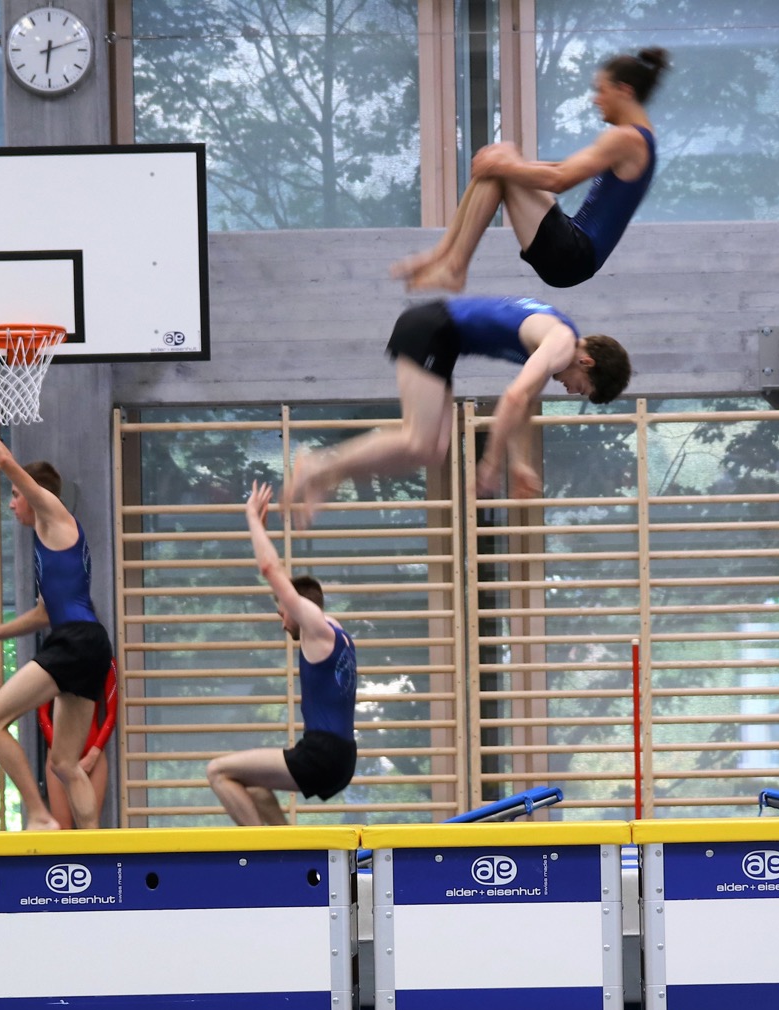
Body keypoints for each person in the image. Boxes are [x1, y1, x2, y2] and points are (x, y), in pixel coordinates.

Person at [285, 296, 630, 521]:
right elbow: (512, 398)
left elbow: (522, 408)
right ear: (587, 362)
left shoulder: (557, 342)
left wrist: (519, 462)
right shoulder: (562, 344)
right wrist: (490, 463)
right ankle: (318, 464)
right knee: (417, 440)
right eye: (581, 387)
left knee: (432, 451)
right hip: (430, 329)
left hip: (442, 339)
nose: (571, 390)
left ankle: (330, 473)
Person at [0, 379, 111, 831]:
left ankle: (38, 814)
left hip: (75, 641)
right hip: (88, 642)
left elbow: (2, 459)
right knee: (65, 763)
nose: (12, 502)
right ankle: (94, 847)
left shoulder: (53, 512)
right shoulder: (50, 540)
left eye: (15, 495)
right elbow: (44, 613)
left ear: (33, 491)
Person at [392, 47, 669, 293]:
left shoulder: (626, 138)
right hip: (573, 247)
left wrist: (503, 165)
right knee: (502, 157)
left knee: (501, 166)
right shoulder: (640, 138)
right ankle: (445, 256)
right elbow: (561, 168)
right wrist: (506, 161)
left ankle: (453, 265)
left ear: (624, 91)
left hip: (573, 256)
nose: (596, 99)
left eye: (602, 90)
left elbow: (560, 179)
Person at [207, 483, 357, 826]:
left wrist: (252, 520)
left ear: (297, 607)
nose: (282, 623)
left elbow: (271, 570)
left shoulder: (316, 628)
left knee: (217, 771)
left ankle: (261, 854)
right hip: (338, 755)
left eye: (282, 613)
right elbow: (289, 584)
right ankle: (290, 852)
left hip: (323, 754)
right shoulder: (337, 632)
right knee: (255, 790)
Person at [37, 661, 117, 830]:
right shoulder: (53, 659)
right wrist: (59, 752)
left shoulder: (106, 662)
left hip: (92, 753)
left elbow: (111, 714)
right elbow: (42, 715)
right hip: (59, 753)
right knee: (63, 829)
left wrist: (93, 754)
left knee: (90, 829)